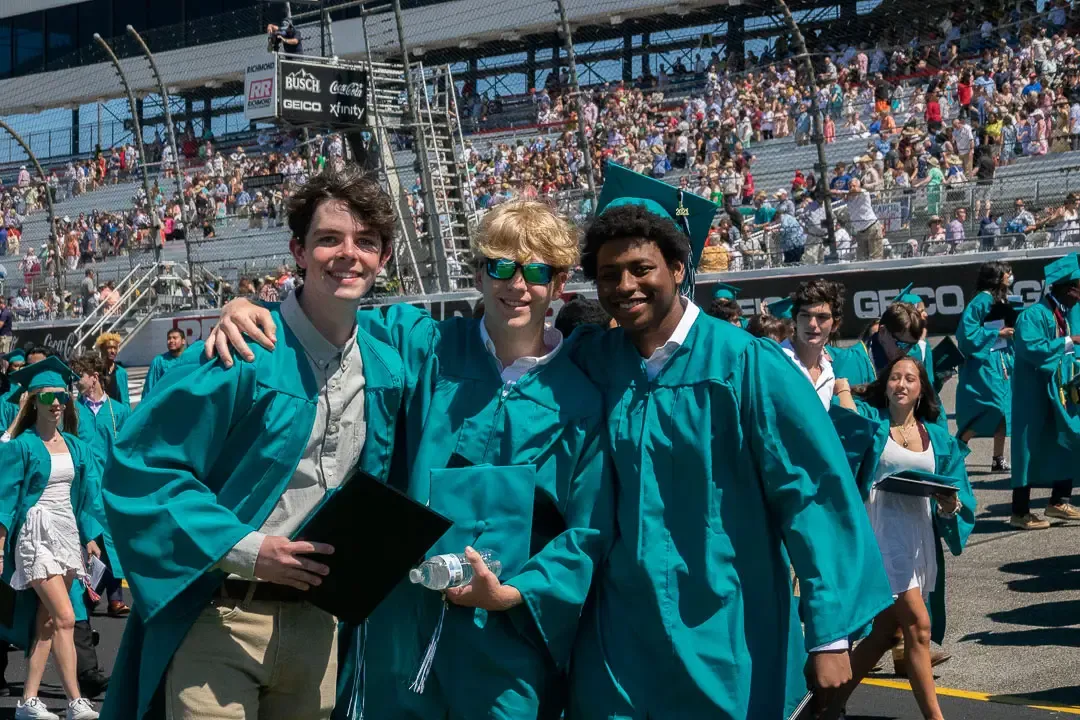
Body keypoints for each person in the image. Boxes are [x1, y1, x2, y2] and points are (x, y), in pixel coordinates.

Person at [206, 200, 612, 720]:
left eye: (536, 271)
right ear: (478, 274)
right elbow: (324, 313)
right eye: (500, 267)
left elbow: (589, 529)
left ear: (559, 285)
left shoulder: (578, 398)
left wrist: (517, 594)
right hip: (402, 619)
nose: (517, 285)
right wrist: (248, 304)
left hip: (505, 637)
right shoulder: (424, 344)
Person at [564, 164, 892, 718]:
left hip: (727, 622)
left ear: (677, 266)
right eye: (608, 274)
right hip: (620, 632)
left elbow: (811, 491)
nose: (624, 287)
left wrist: (830, 631)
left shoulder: (744, 364)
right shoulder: (594, 360)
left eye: (641, 268)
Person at [99, 169, 405, 720]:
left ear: (384, 258)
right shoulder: (239, 355)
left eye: (366, 242)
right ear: (298, 250)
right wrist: (248, 549)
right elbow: (143, 469)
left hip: (319, 627)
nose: (348, 254)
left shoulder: (388, 364)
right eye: (329, 239)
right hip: (222, 619)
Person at [832, 355, 975, 720]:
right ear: (886, 384)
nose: (901, 384)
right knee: (918, 625)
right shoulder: (873, 425)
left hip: (917, 540)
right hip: (882, 534)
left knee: (884, 632)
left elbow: (955, 498)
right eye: (895, 377)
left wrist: (949, 503)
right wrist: (842, 386)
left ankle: (824, 704)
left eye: (910, 378)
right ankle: (935, 718)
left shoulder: (936, 437)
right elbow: (842, 435)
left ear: (920, 389)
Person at [0, 357, 106, 720]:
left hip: (65, 532)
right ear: (33, 402)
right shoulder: (22, 446)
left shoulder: (76, 446)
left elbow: (87, 495)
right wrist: (0, 547)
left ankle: (28, 701)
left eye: (61, 396)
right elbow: (5, 498)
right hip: (35, 533)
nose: (57, 403)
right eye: (48, 398)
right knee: (64, 616)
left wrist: (90, 536)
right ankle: (76, 699)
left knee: (47, 623)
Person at [1010, 254, 1080, 530]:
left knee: (1065, 440)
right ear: (1066, 288)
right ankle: (1020, 511)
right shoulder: (1034, 314)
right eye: (1078, 287)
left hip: (1056, 391)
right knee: (1025, 448)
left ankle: (1059, 500)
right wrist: (1068, 341)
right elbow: (1031, 349)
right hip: (1032, 393)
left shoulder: (1058, 313)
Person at [70, 355, 130, 619]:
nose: (76, 382)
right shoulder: (73, 412)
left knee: (113, 539)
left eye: (79, 376)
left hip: (112, 485)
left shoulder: (119, 411)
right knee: (92, 540)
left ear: (94, 376)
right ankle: (96, 593)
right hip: (85, 485)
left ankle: (111, 597)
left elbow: (129, 449)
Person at [955, 262, 1014, 471]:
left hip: (1002, 360)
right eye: (1007, 273)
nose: (1010, 276)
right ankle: (958, 448)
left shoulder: (1001, 299)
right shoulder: (981, 300)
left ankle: (998, 458)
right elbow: (965, 335)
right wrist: (997, 334)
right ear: (997, 277)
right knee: (992, 407)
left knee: (1004, 411)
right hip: (984, 363)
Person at [782, 279, 845, 409]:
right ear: (795, 320)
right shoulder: (776, 361)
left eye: (822, 317)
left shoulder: (828, 373)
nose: (812, 324)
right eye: (805, 315)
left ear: (835, 325)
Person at [140, 328, 187, 399]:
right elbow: (150, 388)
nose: (171, 341)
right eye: (169, 338)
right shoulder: (159, 361)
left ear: (183, 341)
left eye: (175, 338)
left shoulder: (191, 358)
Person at [93, 335, 128, 407]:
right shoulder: (94, 370)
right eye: (109, 348)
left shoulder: (121, 372)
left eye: (115, 348)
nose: (113, 351)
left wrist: (127, 414)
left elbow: (125, 398)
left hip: (116, 412)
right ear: (102, 349)